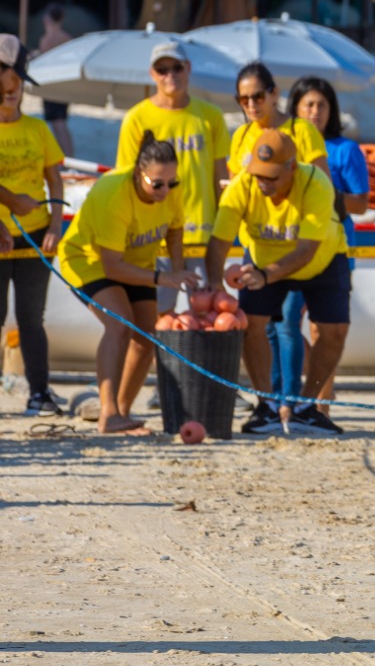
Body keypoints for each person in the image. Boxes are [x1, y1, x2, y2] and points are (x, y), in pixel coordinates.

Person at [206, 130, 351, 435]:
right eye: (259, 174)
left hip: (321, 259)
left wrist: (264, 275)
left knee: (334, 332)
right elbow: (218, 243)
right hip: (264, 260)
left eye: (271, 176)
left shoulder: (317, 184)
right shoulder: (243, 185)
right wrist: (214, 288)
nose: (263, 182)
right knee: (250, 326)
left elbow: (306, 250)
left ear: (292, 168)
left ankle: (307, 407)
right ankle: (267, 406)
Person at [58, 132, 195, 435]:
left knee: (146, 337)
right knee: (120, 326)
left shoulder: (172, 190)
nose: (165, 190)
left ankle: (122, 413)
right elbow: (112, 267)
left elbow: (174, 231)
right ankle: (108, 414)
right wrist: (164, 278)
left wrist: (178, 270)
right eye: (156, 184)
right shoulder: (113, 193)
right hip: (88, 261)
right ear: (138, 174)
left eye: (171, 183)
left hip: (136, 264)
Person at [272, 78, 370, 410]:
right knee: (283, 323)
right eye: (308, 105)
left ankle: (321, 404)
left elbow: (361, 203)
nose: (315, 112)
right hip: (291, 246)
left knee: (321, 328)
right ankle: (294, 396)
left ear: (332, 110)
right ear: (295, 110)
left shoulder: (345, 150)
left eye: (322, 105)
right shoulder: (282, 146)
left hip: (335, 246)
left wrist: (323, 195)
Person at [0, 36, 65, 415]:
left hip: (34, 234)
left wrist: (55, 225)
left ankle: (39, 392)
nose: (12, 92)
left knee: (31, 317)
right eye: (8, 85)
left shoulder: (38, 129)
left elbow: (55, 180)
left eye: (18, 86)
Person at [116, 39, 228, 254]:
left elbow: (220, 175)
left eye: (177, 68)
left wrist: (223, 228)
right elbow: (127, 178)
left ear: (188, 67)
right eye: (162, 70)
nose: (170, 75)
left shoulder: (211, 115)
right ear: (152, 74)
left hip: (202, 234)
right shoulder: (136, 119)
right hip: (154, 237)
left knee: (208, 289)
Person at [228, 62, 328, 178]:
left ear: (274, 93)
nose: (251, 105)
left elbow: (323, 186)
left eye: (258, 97)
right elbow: (233, 187)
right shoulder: (241, 135)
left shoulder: (302, 131)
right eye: (244, 99)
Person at [35, 7, 74, 157]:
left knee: (58, 124)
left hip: (52, 84)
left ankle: (67, 158)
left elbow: (45, 62)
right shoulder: (67, 37)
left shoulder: (47, 39)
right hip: (64, 82)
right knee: (62, 122)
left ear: (47, 19)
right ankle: (69, 156)